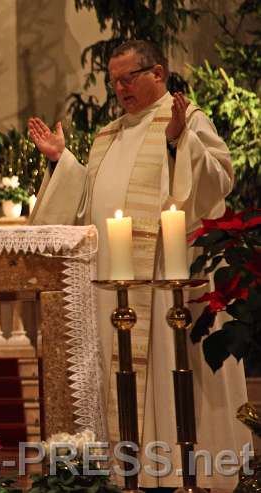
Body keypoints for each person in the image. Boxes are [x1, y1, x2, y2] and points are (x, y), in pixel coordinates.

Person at [27, 40, 250, 489]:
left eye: (129, 77)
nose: (120, 88)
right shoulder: (108, 135)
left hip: (167, 282)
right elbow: (87, 202)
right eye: (114, 81)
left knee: (172, 374)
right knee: (122, 373)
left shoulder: (187, 120)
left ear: (159, 73)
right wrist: (62, 161)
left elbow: (217, 180)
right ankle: (129, 472)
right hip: (116, 284)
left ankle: (184, 471)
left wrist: (177, 143)